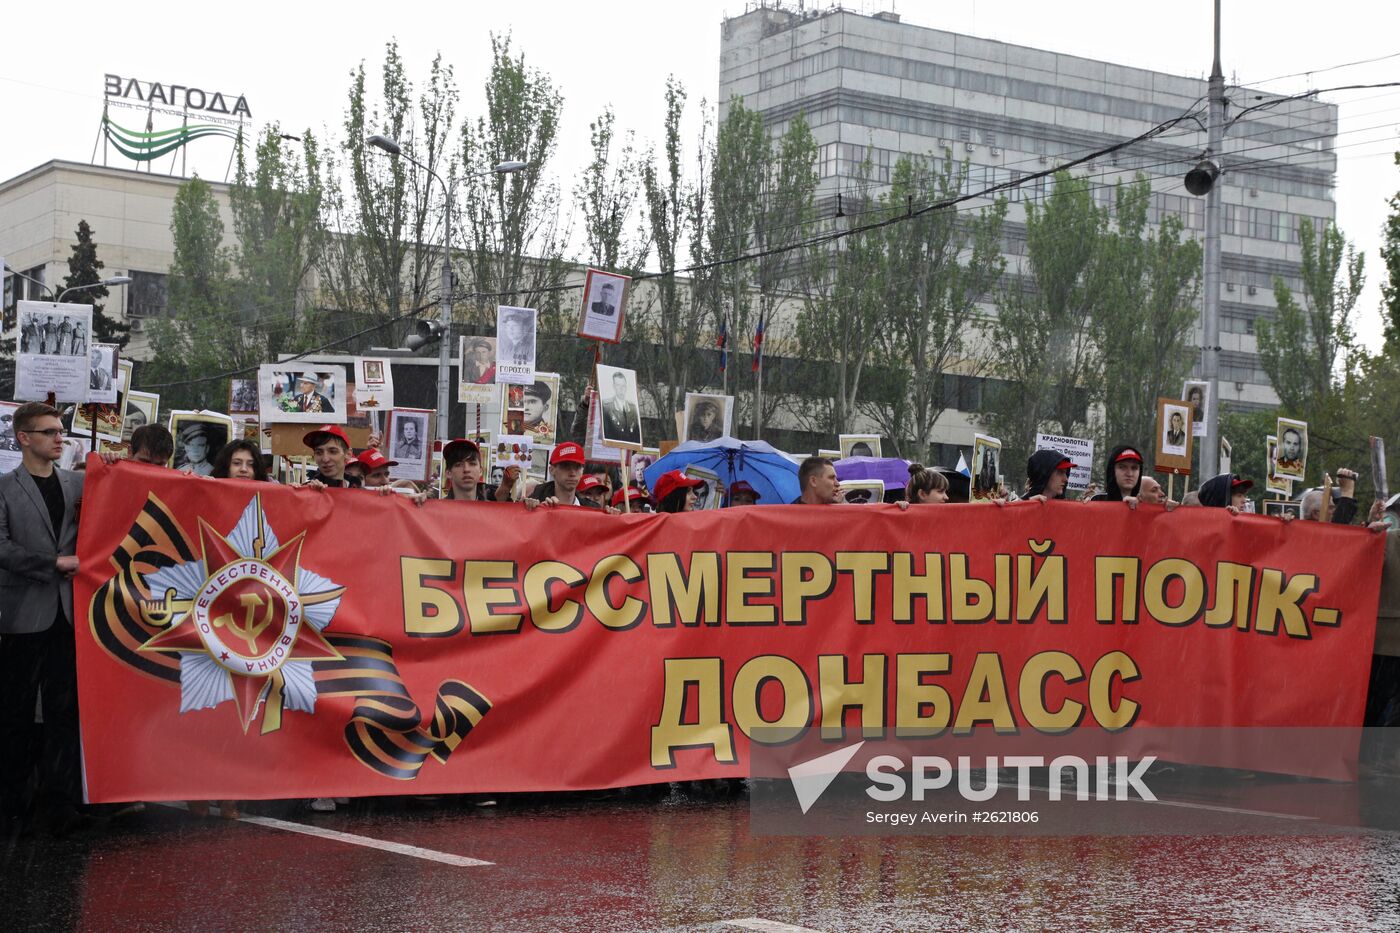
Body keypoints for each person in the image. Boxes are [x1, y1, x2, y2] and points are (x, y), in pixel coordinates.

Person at [0, 402, 85, 835]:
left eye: (61, 431)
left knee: (63, 712)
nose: (59, 438)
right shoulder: (4, 488)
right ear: (24, 438)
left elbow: (133, 491)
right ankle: (13, 799)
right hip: (22, 616)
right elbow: (3, 549)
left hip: (68, 617)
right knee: (15, 711)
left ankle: (60, 801)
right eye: (50, 431)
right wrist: (53, 563)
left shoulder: (77, 483)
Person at [526, 442, 599, 509]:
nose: (572, 473)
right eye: (566, 466)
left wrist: (609, 517)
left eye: (577, 467)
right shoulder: (537, 504)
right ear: (551, 470)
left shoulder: (592, 509)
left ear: (582, 471)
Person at [442, 439, 511, 502]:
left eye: (472, 464)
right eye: (459, 464)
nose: (466, 469)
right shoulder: (439, 512)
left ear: (480, 471)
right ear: (448, 473)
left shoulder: (492, 509)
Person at [602, 371, 641, 445]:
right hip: (610, 451)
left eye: (623, 385)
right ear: (614, 386)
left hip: (628, 452)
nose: (621, 388)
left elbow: (637, 437)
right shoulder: (606, 407)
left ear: (626, 387)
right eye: (618, 385)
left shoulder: (633, 408)